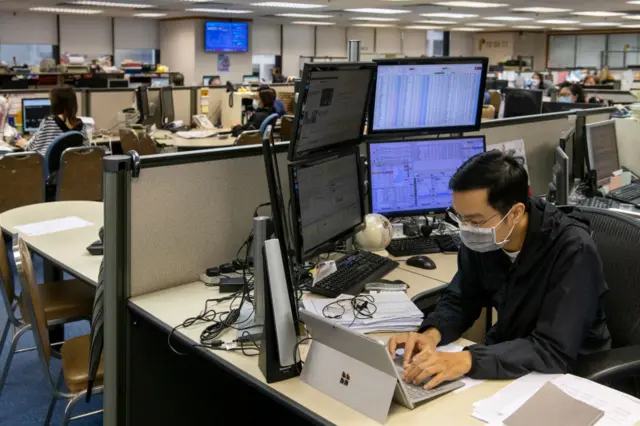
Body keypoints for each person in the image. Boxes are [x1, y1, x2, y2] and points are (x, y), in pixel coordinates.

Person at [387, 151, 610, 387]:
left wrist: (465, 360)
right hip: (508, 360)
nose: (466, 228)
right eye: (460, 218)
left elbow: (552, 348)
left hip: (570, 376)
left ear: (515, 213)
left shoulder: (573, 249)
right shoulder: (487, 236)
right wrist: (431, 335)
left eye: (474, 220)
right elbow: (463, 298)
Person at [14, 86, 89, 156]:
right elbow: (86, 151)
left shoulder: (49, 121)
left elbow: (32, 148)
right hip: (72, 168)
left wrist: (23, 143)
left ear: (54, 104)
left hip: (50, 169)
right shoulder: (81, 125)